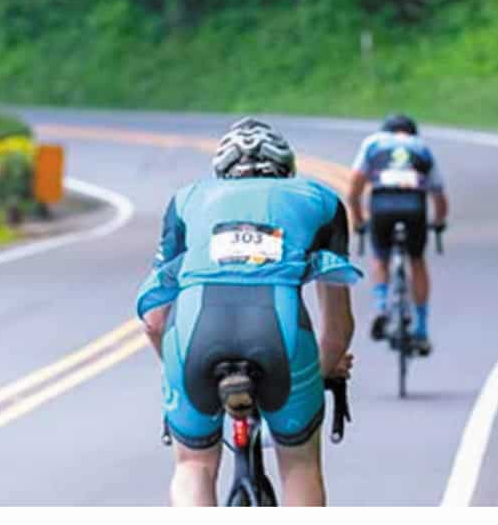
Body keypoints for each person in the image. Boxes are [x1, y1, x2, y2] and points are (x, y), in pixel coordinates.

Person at [135, 117, 360, 507]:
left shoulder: (188, 199)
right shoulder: (320, 200)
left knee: (193, 465)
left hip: (196, 333)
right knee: (300, 466)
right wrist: (322, 371)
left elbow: (154, 321)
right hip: (278, 333)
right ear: (287, 170)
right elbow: (338, 331)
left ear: (220, 174)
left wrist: (177, 375)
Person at [346, 113, 448, 355]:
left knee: (381, 257)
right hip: (414, 205)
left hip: (382, 205)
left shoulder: (373, 143)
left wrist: (359, 220)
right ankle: (421, 328)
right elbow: (439, 195)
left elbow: (354, 190)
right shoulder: (421, 147)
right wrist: (439, 222)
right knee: (417, 260)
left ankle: (381, 306)